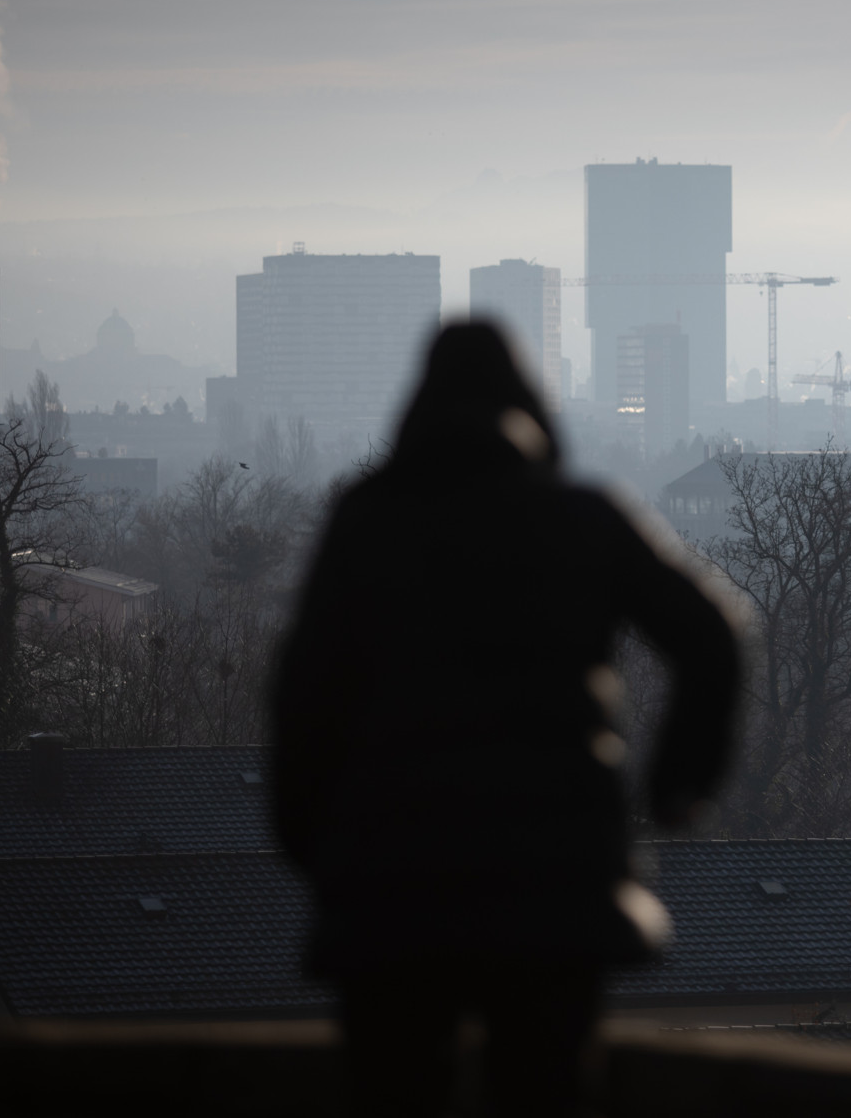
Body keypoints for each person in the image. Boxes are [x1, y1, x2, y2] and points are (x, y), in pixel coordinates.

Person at [272, 323, 742, 1116]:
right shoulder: (583, 518)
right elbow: (713, 639)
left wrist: (317, 844)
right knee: (545, 1087)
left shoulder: (367, 523)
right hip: (554, 888)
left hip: (390, 890)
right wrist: (673, 789)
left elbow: (302, 697)